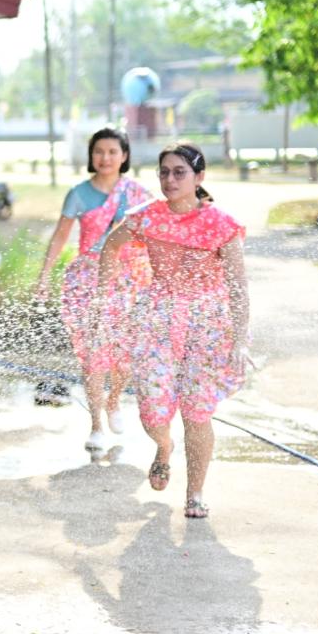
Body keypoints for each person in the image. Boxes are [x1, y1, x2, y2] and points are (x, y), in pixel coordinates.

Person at [98, 143, 248, 519]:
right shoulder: (147, 216)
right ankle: (164, 447)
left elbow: (238, 288)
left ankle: (195, 492)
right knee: (153, 412)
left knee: (197, 413)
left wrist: (240, 339)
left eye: (179, 172)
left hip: (208, 326)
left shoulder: (222, 224)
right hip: (158, 320)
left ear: (199, 177)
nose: (169, 179)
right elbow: (110, 247)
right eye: (164, 172)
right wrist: (105, 300)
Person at [36, 128, 154, 451]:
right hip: (86, 282)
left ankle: (114, 400)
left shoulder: (138, 194)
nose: (105, 158)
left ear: (124, 156)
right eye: (99, 151)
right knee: (93, 355)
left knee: (124, 355)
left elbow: (155, 233)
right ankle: (96, 425)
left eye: (113, 152)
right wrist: (44, 276)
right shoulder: (78, 194)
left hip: (127, 281)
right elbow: (60, 237)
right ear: (91, 155)